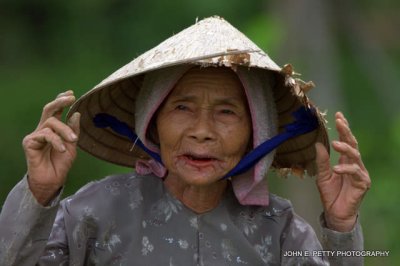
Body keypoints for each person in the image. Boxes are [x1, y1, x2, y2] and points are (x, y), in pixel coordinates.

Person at [0, 16, 370, 265]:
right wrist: (39, 193)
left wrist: (341, 227)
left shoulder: (281, 229)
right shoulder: (93, 213)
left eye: (227, 112)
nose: (202, 130)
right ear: (152, 122)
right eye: (182, 107)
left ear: (256, 132)